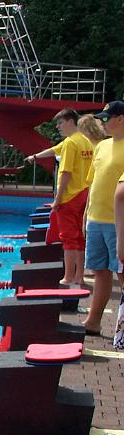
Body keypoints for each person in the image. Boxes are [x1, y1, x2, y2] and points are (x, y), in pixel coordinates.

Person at [32, 109, 94, 286]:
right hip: (84, 193)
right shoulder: (85, 142)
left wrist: (57, 200)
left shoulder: (70, 144)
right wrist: (34, 157)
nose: (58, 127)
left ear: (70, 122)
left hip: (69, 197)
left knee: (68, 238)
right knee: (81, 237)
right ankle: (79, 276)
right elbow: (53, 150)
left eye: (60, 123)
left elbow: (65, 173)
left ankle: (68, 276)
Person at [83, 101, 124, 335]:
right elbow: (92, 184)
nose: (103, 123)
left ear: (121, 119)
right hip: (96, 218)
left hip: (118, 223)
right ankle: (93, 321)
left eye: (107, 119)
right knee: (100, 271)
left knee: (121, 273)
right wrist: (85, 216)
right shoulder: (102, 146)